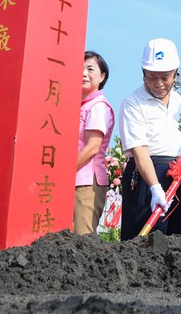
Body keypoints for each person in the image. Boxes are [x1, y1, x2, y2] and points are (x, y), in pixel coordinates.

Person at [119, 38, 181, 240]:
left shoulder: (177, 100)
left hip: (179, 174)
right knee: (147, 242)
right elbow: (140, 151)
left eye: (165, 77)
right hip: (148, 175)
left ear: (175, 73)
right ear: (143, 74)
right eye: (152, 77)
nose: (159, 84)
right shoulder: (133, 103)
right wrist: (155, 187)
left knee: (179, 236)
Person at [74, 51, 115, 235]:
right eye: (79, 68)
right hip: (73, 181)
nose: (83, 73)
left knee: (82, 240)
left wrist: (63, 173)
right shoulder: (77, 105)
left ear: (102, 76)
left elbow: (92, 147)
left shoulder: (98, 106)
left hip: (86, 184)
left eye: (90, 69)